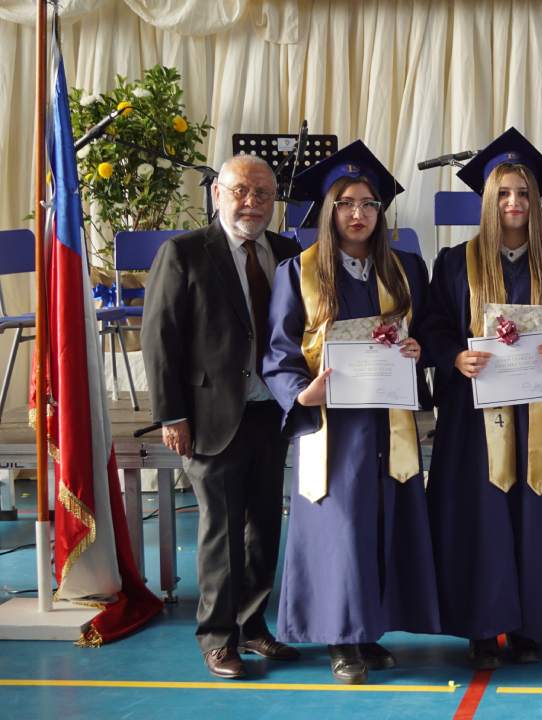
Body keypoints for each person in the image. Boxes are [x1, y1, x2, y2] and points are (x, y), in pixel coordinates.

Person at [262, 140, 440, 684]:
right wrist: (300, 393)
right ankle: (341, 639)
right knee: (341, 527)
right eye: (345, 203)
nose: (358, 214)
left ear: (381, 210)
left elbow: (429, 333)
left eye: (368, 203)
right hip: (332, 424)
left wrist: (419, 350)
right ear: (328, 210)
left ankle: (368, 630)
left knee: (382, 521)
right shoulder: (299, 271)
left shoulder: (406, 267)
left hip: (388, 419)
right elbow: (278, 349)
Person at [424, 128, 542, 669]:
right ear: (488, 202)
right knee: (482, 516)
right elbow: (434, 328)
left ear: (538, 204)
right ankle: (481, 625)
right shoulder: (453, 262)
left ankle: (530, 626)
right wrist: (454, 359)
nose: (515, 204)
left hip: (539, 411)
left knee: (535, 513)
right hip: (475, 416)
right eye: (504, 194)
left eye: (525, 195)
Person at [142, 154, 301, 680]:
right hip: (209, 416)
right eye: (240, 191)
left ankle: (253, 627)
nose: (251, 202)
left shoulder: (286, 252)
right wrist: (171, 414)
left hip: (271, 411)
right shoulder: (184, 252)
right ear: (217, 194)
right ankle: (217, 638)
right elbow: (159, 340)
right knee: (220, 531)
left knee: (263, 529)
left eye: (262, 193)